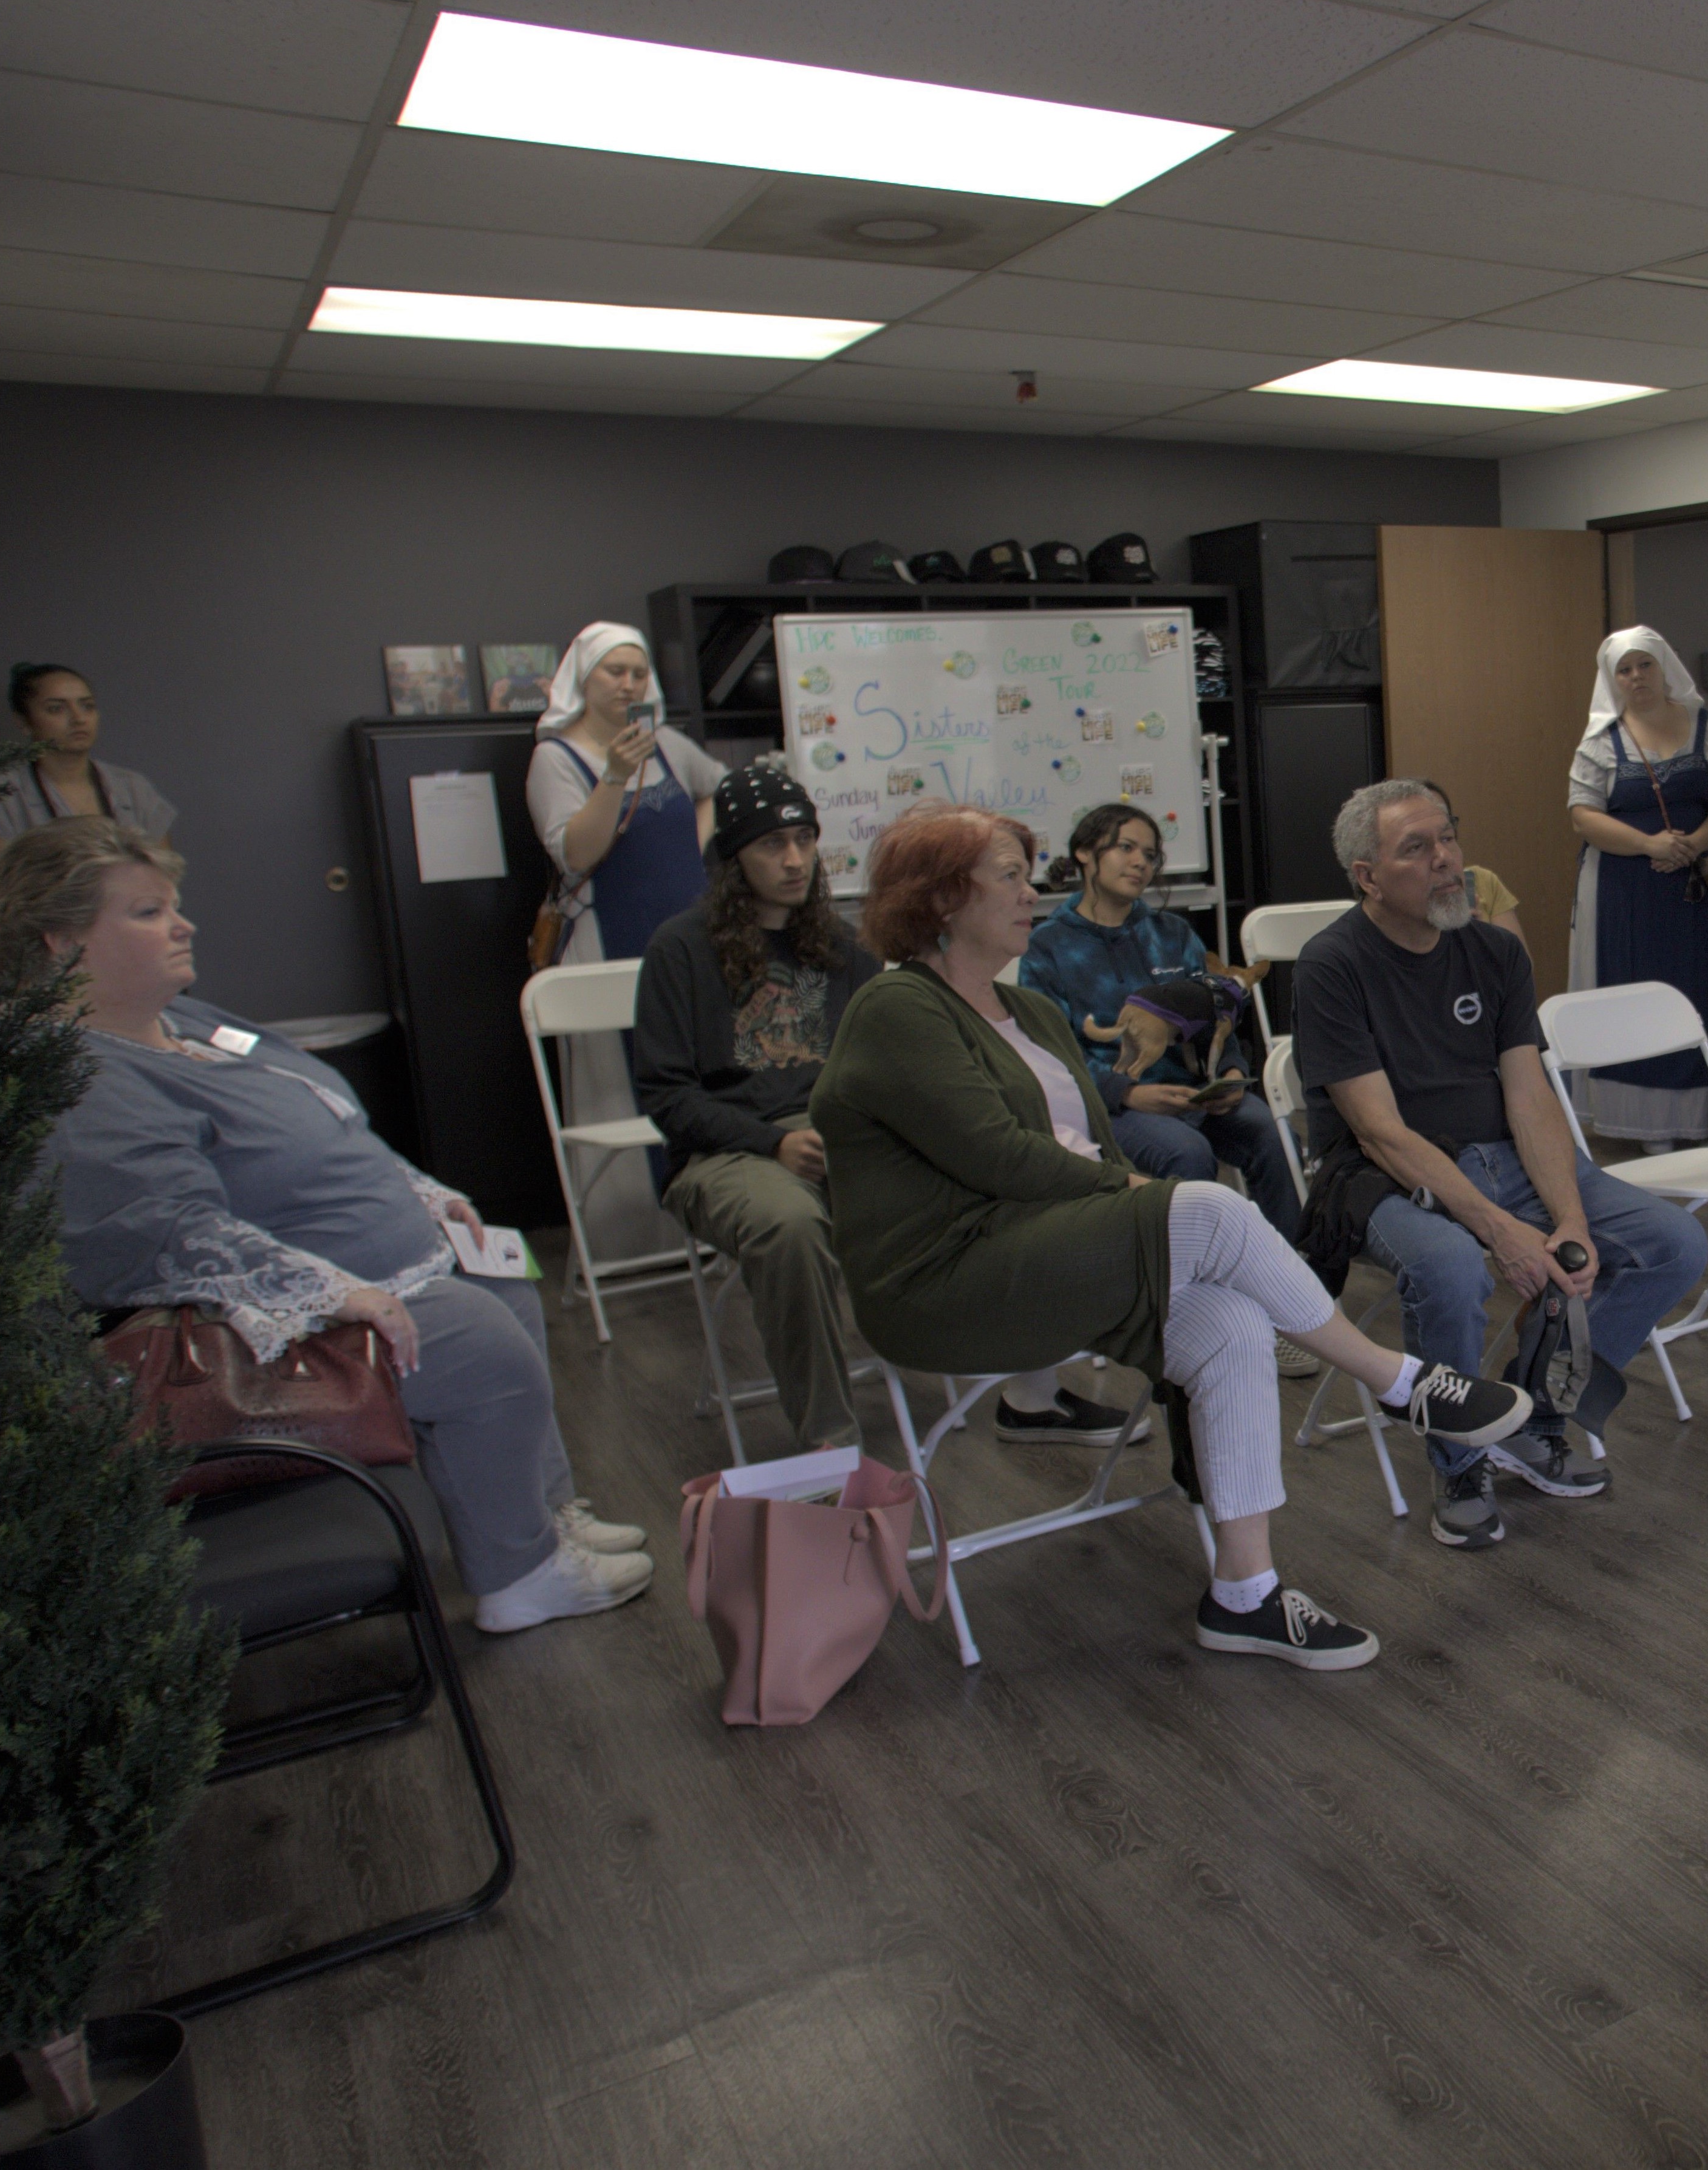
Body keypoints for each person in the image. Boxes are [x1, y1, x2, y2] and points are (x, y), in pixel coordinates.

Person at [812, 804, 1535, 1668]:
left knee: (1228, 1324)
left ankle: (1244, 1593)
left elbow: (1090, 1143)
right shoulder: (897, 1006)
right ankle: (1398, 1380)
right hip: (944, 1282)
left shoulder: (1029, 1014)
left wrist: (1132, 1189)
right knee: (1202, 1203)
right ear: (938, 899)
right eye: (1007, 873)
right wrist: (1137, 1194)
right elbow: (1000, 1157)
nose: (1029, 892)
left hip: (1048, 1256)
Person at [0, 819, 649, 1636]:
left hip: (377, 1266)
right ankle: (521, 1575)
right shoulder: (82, 1080)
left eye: (174, 904)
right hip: (271, 1325)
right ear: (61, 941)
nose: (182, 924)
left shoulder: (188, 1021)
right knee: (482, 1345)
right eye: (147, 911)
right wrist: (336, 1288)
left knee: (501, 1283)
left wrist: (416, 1189)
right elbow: (166, 1236)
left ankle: (543, 1513)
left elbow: (326, 1116)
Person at [1301, 779, 1708, 1551]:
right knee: (1454, 1270)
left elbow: (1529, 1098)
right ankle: (1458, 1460)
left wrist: (1569, 1222)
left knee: (1674, 1243)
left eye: (1447, 837)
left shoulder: (1494, 952)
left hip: (1508, 1156)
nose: (1447, 861)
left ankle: (1531, 1416)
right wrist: (1500, 1232)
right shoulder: (1333, 964)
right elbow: (1381, 1133)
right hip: (1385, 1176)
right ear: (1367, 877)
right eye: (1416, 849)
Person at [630, 762, 887, 1450]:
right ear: (734, 856)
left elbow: (882, 1066)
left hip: (837, 1133)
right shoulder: (679, 950)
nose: (796, 859)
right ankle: (831, 1442)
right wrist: (771, 1143)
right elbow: (665, 1094)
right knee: (790, 1225)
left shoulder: (848, 948)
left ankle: (1016, 1382)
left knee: (964, 1174)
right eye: (774, 844)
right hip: (725, 1152)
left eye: (805, 838)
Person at [1020, 804, 1303, 1253]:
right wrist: (1127, 1093)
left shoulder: (1173, 933)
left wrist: (1229, 1074)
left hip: (1196, 1093)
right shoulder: (1047, 948)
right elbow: (1051, 1054)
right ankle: (1193, 1287)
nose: (1141, 863)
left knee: (1267, 1131)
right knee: (1187, 1153)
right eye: (1126, 848)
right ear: (1084, 854)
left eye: (1150, 855)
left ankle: (1296, 1279)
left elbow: (1216, 1013)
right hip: (1114, 1105)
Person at [1564, 627, 1708, 1145]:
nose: (1636, 676)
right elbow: (1582, 816)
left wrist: (1695, 843)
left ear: (1664, 666)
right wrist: (1650, 846)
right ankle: (1642, 1121)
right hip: (1624, 891)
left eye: (1645, 665)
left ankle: (1702, 1116)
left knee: (1697, 992)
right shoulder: (1601, 741)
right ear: (1612, 679)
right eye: (1625, 669)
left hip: (1695, 889)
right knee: (1632, 997)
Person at [524, 621, 723, 967]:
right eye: (615, 672)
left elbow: (718, 788)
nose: (629, 685)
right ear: (585, 677)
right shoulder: (555, 759)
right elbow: (576, 856)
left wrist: (694, 845)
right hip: (608, 936)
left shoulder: (666, 744)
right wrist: (615, 775)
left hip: (688, 930)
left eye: (639, 674)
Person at [0, 662, 177, 898]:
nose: (78, 719)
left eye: (87, 706)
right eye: (56, 709)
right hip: (41, 932)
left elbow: (163, 881)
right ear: (24, 722)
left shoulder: (132, 788)